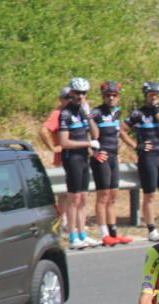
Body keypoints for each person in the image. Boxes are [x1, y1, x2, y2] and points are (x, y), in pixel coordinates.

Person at [121, 82, 159, 241]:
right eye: (151, 95)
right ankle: (151, 229)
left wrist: (158, 113)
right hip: (147, 158)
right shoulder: (138, 113)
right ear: (146, 96)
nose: (154, 97)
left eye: (156, 95)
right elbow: (122, 130)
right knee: (149, 195)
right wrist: (136, 146)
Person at [59, 78, 100, 250]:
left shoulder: (82, 112)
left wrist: (88, 114)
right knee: (73, 198)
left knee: (83, 197)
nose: (80, 96)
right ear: (71, 93)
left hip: (84, 158)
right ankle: (72, 235)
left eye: (84, 93)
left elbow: (96, 133)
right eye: (77, 93)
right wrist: (87, 144)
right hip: (72, 158)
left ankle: (83, 234)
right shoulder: (66, 113)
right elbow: (64, 142)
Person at [90, 81, 132, 247]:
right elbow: (89, 136)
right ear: (103, 96)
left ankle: (113, 232)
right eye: (108, 95)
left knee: (113, 195)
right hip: (102, 157)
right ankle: (104, 233)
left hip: (114, 156)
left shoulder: (117, 112)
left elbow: (117, 134)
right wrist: (94, 153)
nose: (111, 98)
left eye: (114, 95)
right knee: (103, 196)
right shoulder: (96, 112)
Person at [38, 88, 73, 232]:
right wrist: (53, 147)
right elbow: (43, 130)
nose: (70, 100)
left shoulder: (75, 112)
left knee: (73, 193)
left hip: (76, 157)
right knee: (64, 194)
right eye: (67, 97)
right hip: (63, 158)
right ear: (61, 99)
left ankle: (69, 221)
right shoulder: (57, 114)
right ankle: (61, 221)